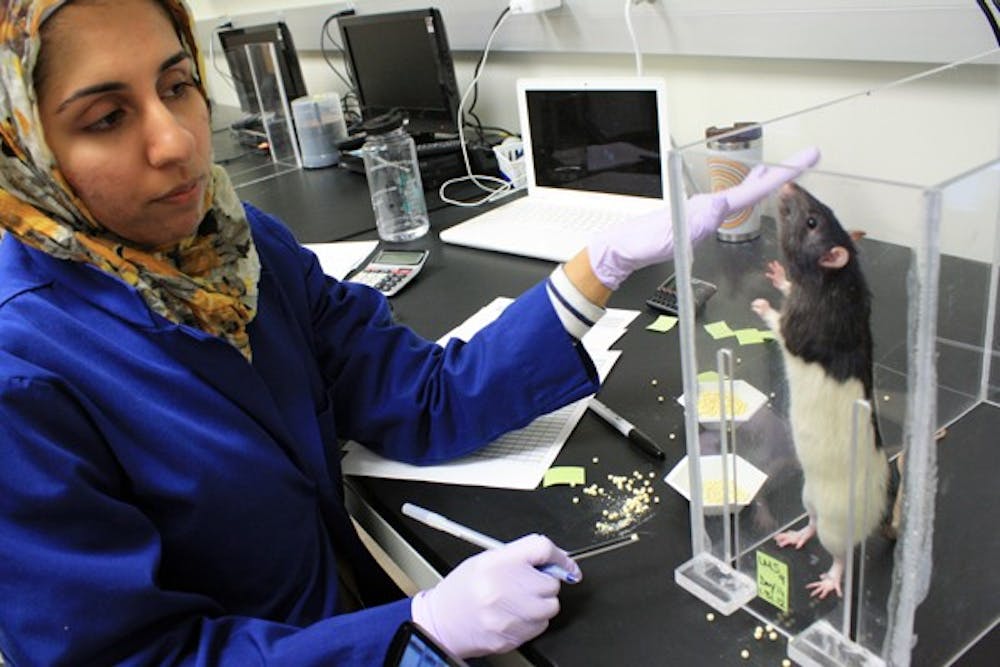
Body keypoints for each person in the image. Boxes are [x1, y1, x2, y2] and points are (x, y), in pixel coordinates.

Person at [0, 0, 819, 664]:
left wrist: (596, 265)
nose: (176, 141)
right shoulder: (23, 370)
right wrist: (413, 633)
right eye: (107, 117)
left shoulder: (238, 252)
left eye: (177, 84)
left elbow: (422, 398)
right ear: (21, 140)